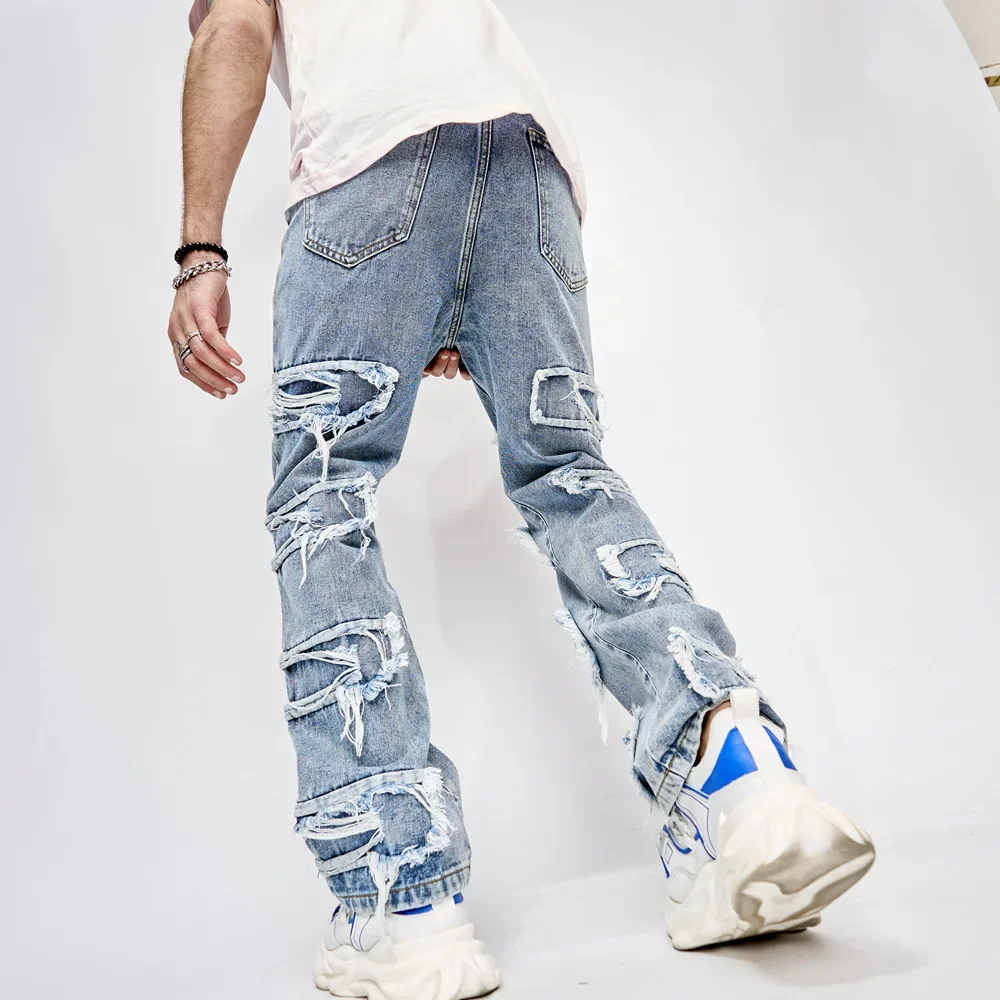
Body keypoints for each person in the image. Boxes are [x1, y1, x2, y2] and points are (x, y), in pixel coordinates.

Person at [168, 2, 876, 996]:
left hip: (372, 158)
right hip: (528, 171)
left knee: (322, 497)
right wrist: (450, 285)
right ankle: (741, 767)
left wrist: (199, 251)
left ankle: (401, 896)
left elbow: (235, 27)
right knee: (566, 473)